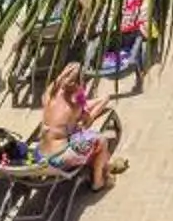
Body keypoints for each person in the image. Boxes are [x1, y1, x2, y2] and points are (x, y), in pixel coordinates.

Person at [39, 62, 120, 190]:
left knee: (79, 138)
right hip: (59, 158)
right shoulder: (75, 103)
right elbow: (87, 119)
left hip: (41, 154)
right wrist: (81, 94)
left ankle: (97, 165)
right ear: (78, 83)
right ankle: (98, 182)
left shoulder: (49, 94)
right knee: (101, 140)